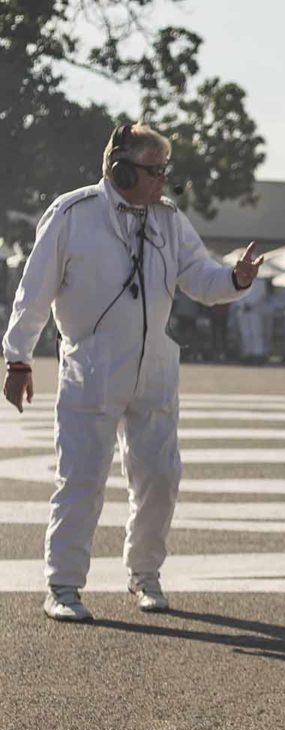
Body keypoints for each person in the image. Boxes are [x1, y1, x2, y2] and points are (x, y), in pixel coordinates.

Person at [1, 122, 263, 621]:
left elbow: (200, 278)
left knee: (161, 478)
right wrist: (18, 357)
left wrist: (235, 278)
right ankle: (62, 585)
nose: (164, 181)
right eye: (154, 171)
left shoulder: (168, 220)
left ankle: (145, 575)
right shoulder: (72, 214)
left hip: (155, 368)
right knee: (81, 479)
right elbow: (32, 292)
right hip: (92, 366)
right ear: (121, 171)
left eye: (165, 171)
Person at [230, 275, 270, 363]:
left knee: (256, 333)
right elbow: (236, 294)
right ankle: (247, 353)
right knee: (245, 333)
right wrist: (242, 305)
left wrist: (251, 305)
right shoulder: (239, 280)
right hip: (242, 310)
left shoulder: (260, 282)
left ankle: (258, 354)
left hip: (255, 311)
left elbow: (262, 296)